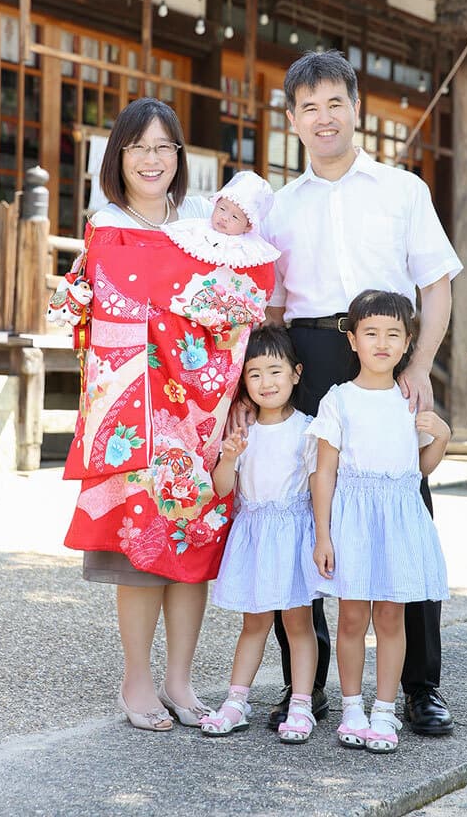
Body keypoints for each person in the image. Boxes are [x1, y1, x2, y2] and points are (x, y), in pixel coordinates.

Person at [258, 49, 462, 735]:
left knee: (405, 501)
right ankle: (304, 686)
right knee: (300, 505)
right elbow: (274, 311)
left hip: (386, 352)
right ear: (292, 119)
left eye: (334, 104)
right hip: (310, 354)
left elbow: (435, 284)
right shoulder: (281, 206)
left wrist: (418, 364)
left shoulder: (401, 189)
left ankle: (420, 686)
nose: (323, 118)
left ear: (357, 109)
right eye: (308, 107)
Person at [59, 97, 275, 733]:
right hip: (136, 409)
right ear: (118, 157)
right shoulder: (108, 225)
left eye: (164, 148)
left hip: (201, 411)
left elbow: (238, 314)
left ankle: (180, 680)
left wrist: (229, 397)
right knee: (141, 549)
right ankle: (137, 680)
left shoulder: (208, 232)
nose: (151, 160)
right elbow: (104, 320)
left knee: (194, 547)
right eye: (138, 147)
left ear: (179, 158)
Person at [308, 289, 450, 752]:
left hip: (400, 519)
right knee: (351, 617)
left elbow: (420, 470)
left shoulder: (409, 399)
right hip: (352, 520)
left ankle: (385, 711)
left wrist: (441, 437)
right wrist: (323, 534)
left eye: (393, 334)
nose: (382, 343)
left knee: (392, 617)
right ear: (352, 340)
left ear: (408, 342)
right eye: (371, 333)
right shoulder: (339, 400)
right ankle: (352, 706)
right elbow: (324, 471)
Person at [200, 326, 319, 744]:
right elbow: (222, 489)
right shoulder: (241, 432)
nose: (266, 383)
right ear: (243, 381)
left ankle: (302, 704)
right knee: (253, 623)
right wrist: (228, 457)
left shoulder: (308, 430)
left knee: (298, 623)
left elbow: (322, 488)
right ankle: (237, 701)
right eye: (254, 374)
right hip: (253, 534)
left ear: (296, 373)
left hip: (292, 537)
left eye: (275, 371)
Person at [164, 170, 280, 269]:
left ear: (248, 225)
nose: (225, 218)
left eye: (235, 217)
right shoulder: (197, 229)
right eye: (222, 208)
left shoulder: (251, 249)